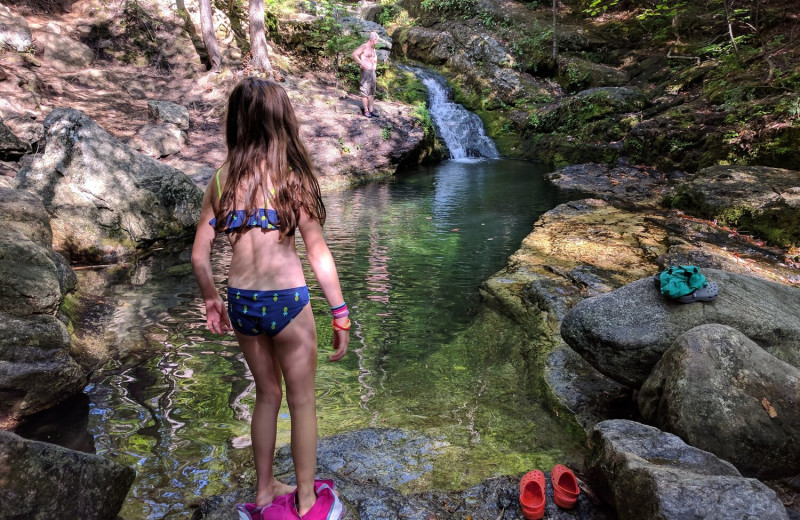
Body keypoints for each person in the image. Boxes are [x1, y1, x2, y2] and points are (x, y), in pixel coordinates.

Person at [191, 78, 350, 518]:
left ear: (237, 123)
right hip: (288, 303)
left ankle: (263, 491)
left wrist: (211, 301)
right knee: (301, 402)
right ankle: (303, 498)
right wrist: (340, 313)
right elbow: (318, 252)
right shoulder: (291, 178)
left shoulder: (222, 179)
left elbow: (199, 256)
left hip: (241, 302)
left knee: (266, 395)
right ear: (282, 121)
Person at [352, 31, 379, 118]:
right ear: (373, 40)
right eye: (376, 40)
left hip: (372, 72)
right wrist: (361, 63)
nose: (377, 42)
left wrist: (374, 65)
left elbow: (375, 58)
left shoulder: (373, 48)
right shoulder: (364, 46)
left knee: (372, 91)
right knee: (365, 91)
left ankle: (371, 110)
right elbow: (354, 54)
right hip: (365, 72)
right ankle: (366, 110)